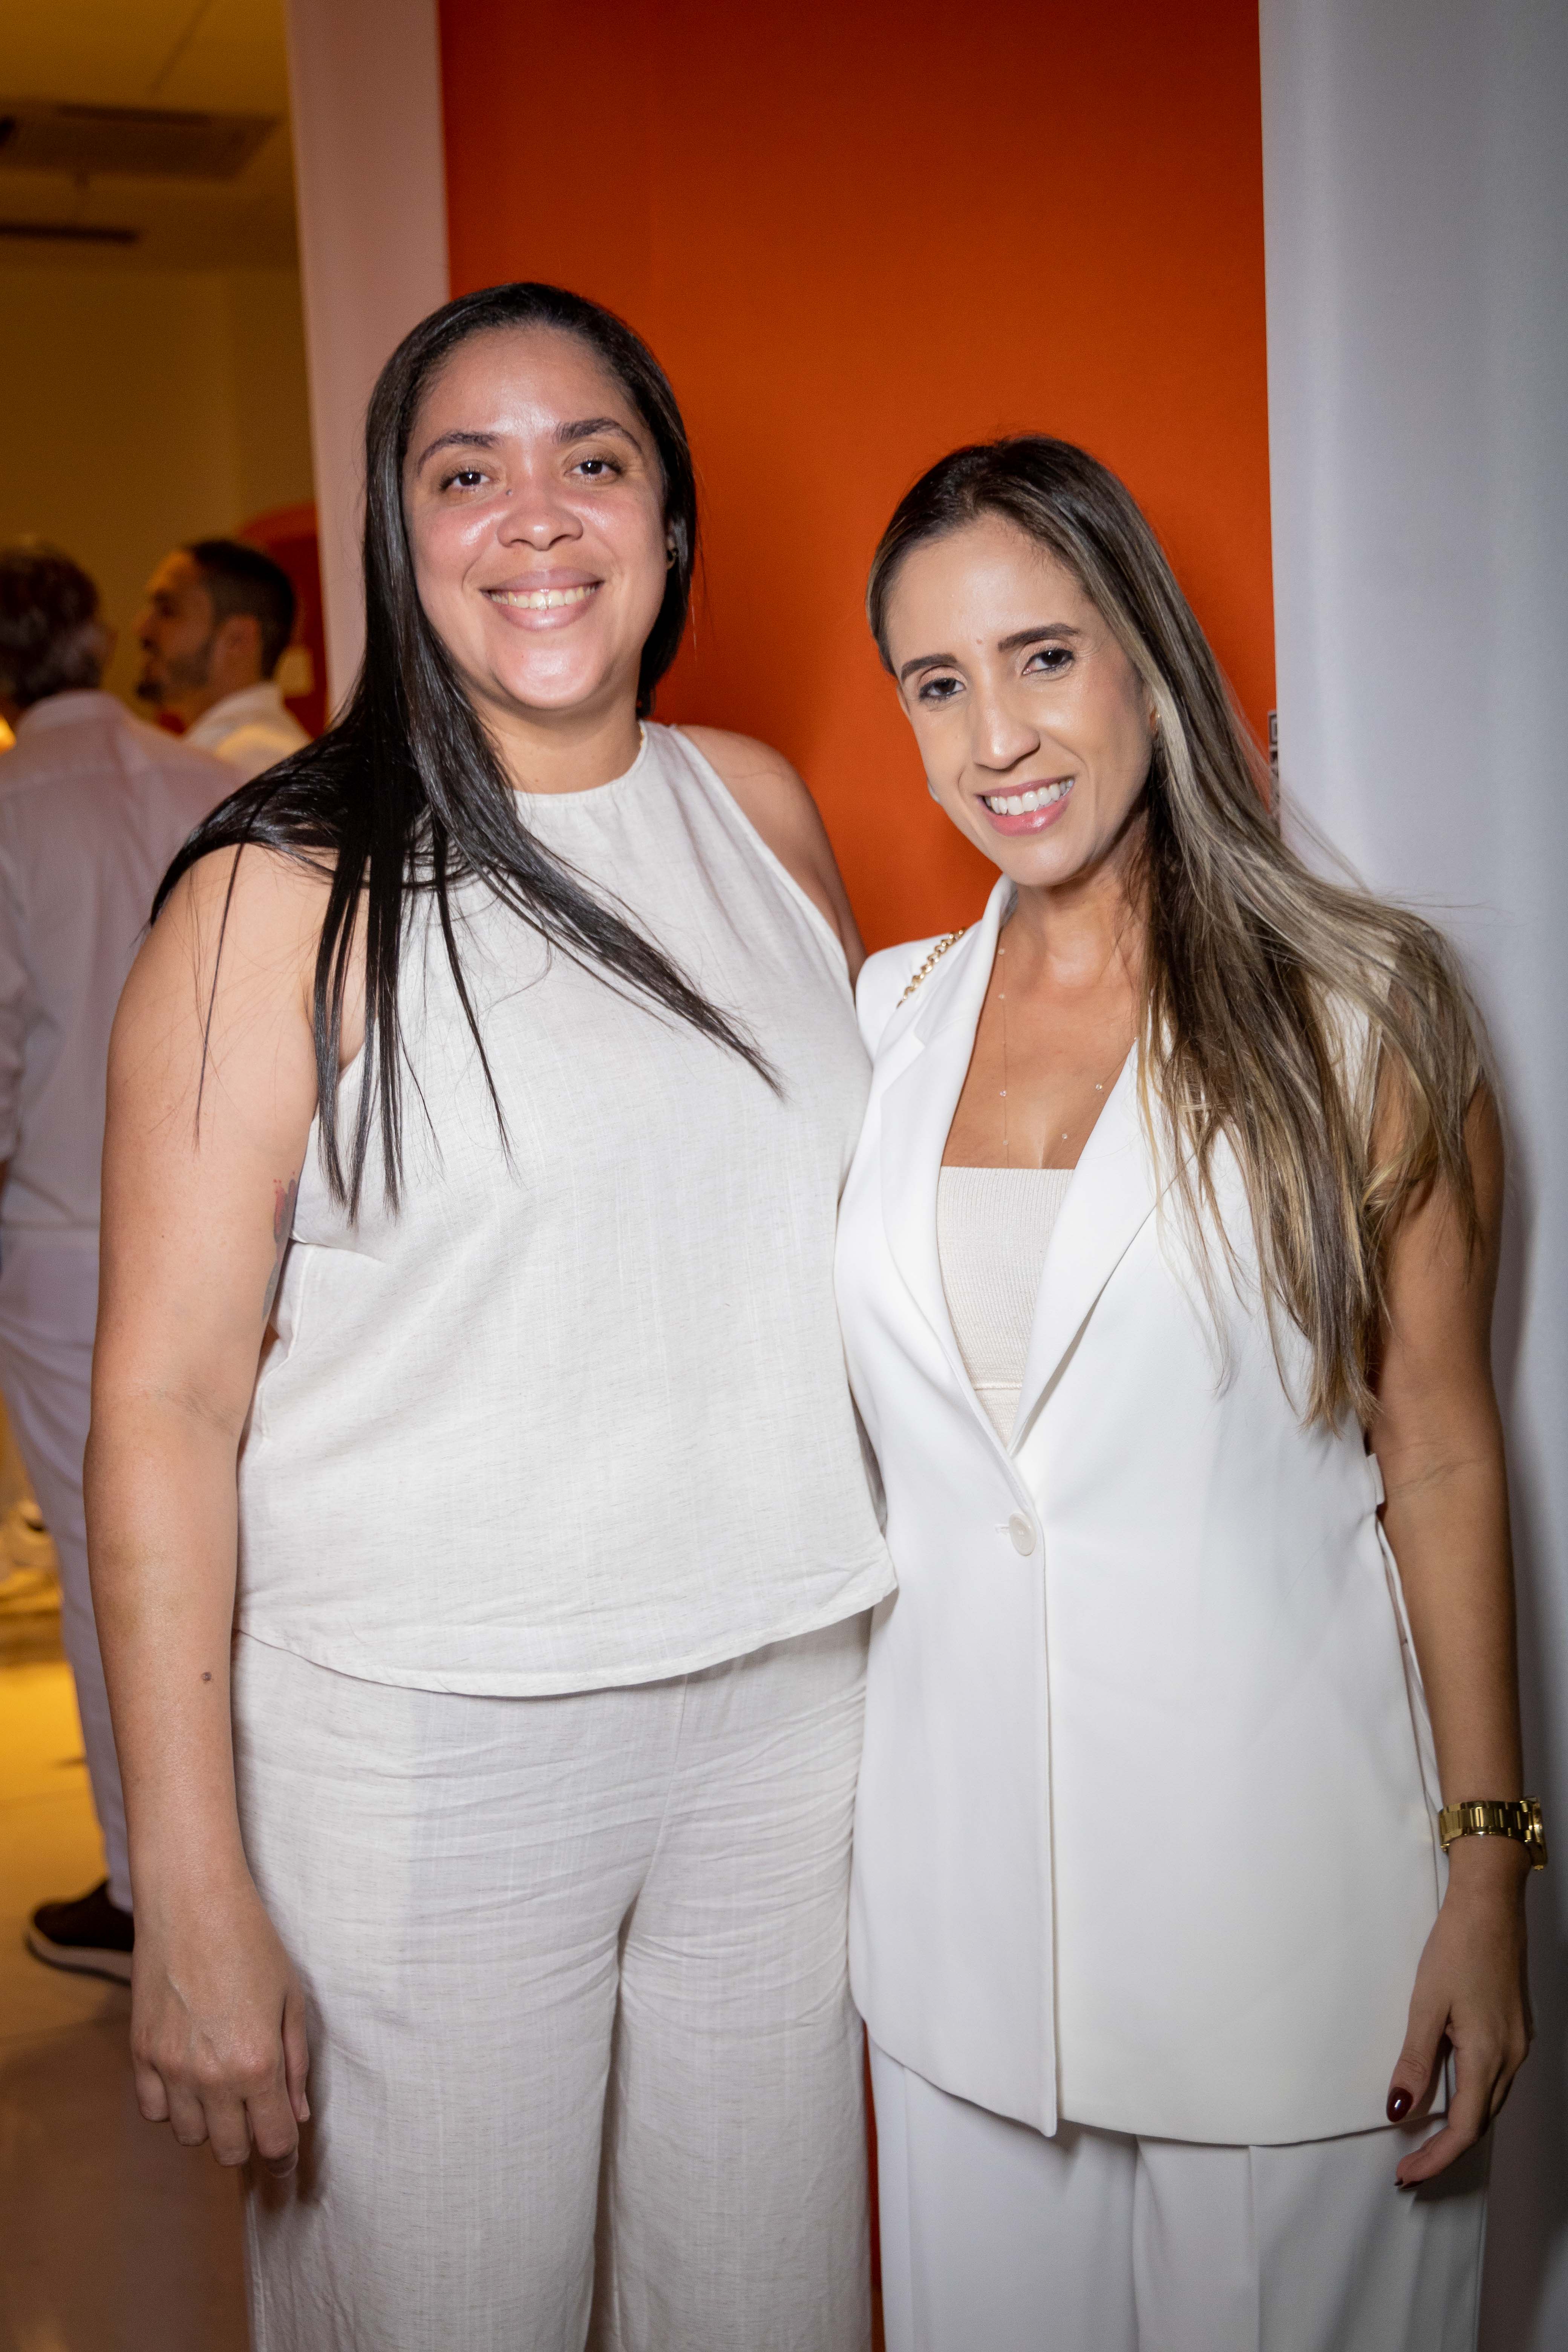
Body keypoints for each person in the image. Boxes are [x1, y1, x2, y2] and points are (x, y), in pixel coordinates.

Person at [89, 283, 891, 2352]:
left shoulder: (760, 809)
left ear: (668, 520)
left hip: (791, 1714)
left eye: (590, 460)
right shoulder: (272, 889)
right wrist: (187, 1887)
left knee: (767, 2316)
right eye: (467, 472)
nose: (534, 517)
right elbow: (165, 1403)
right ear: (396, 531)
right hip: (425, 1752)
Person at [834, 438, 1540, 2352]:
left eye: (1044, 655)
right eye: (938, 681)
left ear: (1147, 657)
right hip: (961, 1951)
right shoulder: (882, 1021)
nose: (999, 735)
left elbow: (1444, 1452)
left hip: (1286, 1927)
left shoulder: (1368, 1013)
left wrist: (1489, 1868)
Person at [0, 544, 228, 1980]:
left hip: (67, 1236)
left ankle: (155, 1890)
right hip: (229, 1221)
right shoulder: (207, 786)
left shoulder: (9, 809)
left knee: (106, 1564)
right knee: (243, 1541)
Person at [135, 538, 309, 780]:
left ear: (238, 639)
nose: (142, 629)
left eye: (168, 611)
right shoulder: (226, 754)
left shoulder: (256, 761)